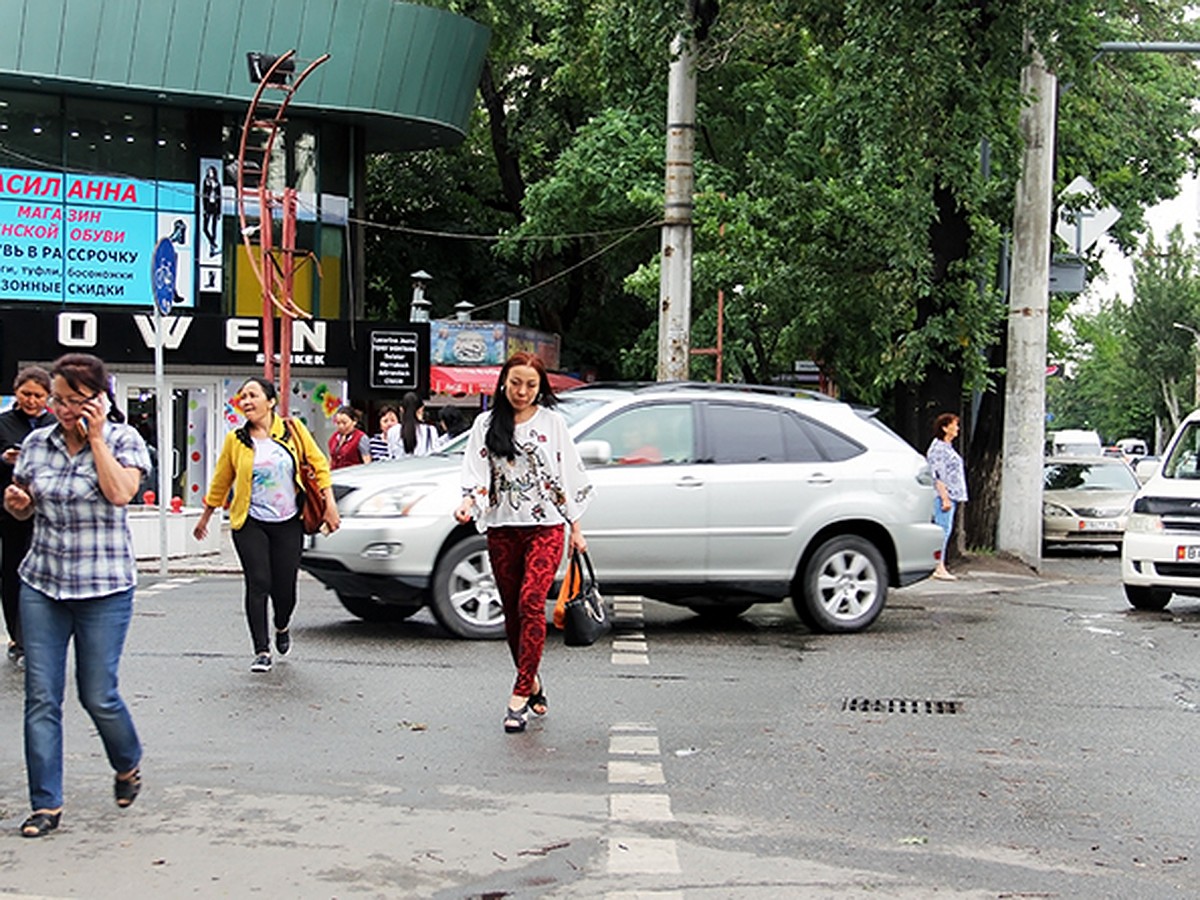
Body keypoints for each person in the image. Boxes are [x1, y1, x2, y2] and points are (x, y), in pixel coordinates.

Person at [2, 353, 150, 838]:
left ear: (99, 399)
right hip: (42, 582)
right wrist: (18, 504)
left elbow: (120, 493)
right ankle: (46, 805)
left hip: (104, 587)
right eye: (58, 400)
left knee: (97, 694)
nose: (63, 410)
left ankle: (127, 763)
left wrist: (97, 439)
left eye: (74, 400)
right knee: (41, 697)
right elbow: (24, 508)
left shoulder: (124, 440)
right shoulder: (35, 444)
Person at [453, 352, 593, 734]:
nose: (522, 391)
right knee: (513, 612)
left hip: (545, 527)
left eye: (531, 385)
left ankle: (518, 694)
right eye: (516, 383)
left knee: (532, 601)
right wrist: (468, 503)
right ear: (503, 382)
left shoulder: (553, 424)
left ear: (540, 387)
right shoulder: (486, 424)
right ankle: (532, 680)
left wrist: (575, 527)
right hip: (502, 528)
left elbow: (568, 477)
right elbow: (477, 475)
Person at [193, 377, 339, 672]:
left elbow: (319, 465)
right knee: (258, 582)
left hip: (288, 522)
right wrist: (206, 516)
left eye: (253, 395)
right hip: (250, 521)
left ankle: (282, 625)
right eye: (243, 397)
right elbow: (222, 479)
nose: (246, 401)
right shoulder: (237, 440)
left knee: (285, 590)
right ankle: (261, 650)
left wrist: (330, 505)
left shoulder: (292, 431)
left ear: (270, 401)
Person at [0, 366, 55, 667]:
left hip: (47, 512)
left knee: (44, 575)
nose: (32, 400)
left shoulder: (54, 425)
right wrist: (5, 459)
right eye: (26, 394)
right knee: (13, 573)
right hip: (11, 511)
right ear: (16, 392)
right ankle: (18, 637)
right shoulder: (4, 424)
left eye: (38, 395)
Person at [927, 412, 968, 581]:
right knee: (942, 531)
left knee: (945, 529)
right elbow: (938, 475)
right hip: (944, 495)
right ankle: (938, 566)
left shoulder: (947, 447)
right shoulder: (938, 449)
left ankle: (938, 564)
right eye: (954, 425)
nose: (957, 428)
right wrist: (944, 497)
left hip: (951, 495)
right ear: (945, 428)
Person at [389, 392, 438, 459]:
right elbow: (434, 454)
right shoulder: (430, 430)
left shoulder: (392, 431)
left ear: (401, 409)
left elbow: (391, 455)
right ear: (421, 410)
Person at [201, 165, 221, 257]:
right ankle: (212, 242)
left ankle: (212, 249)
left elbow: (219, 198)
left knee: (214, 228)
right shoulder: (206, 182)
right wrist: (204, 209)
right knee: (205, 228)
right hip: (208, 206)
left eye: (212, 172)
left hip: (215, 207)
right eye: (209, 172)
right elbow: (204, 196)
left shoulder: (217, 184)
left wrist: (219, 212)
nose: (211, 173)